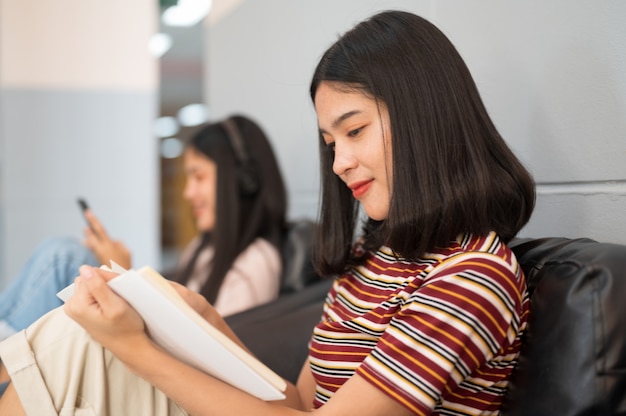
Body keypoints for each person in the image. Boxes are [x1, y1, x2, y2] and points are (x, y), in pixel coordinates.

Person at [0, 10, 535, 415]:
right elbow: (300, 401)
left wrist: (135, 348)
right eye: (330, 142)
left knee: (81, 340)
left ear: (426, 118)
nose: (340, 162)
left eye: (354, 131)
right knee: (77, 334)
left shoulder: (473, 279)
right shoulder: (376, 259)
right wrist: (204, 320)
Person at [0, 113, 288, 343]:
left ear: (242, 182)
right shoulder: (204, 248)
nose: (188, 193)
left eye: (198, 177)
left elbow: (205, 354)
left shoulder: (255, 262)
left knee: (65, 256)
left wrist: (124, 276)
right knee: (69, 256)